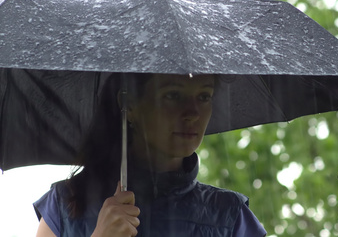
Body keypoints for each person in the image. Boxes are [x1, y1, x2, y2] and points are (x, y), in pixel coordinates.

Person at [34, 73, 267, 236]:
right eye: (173, 95)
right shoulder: (65, 204)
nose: (193, 113)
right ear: (130, 105)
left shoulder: (231, 216)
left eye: (204, 96)